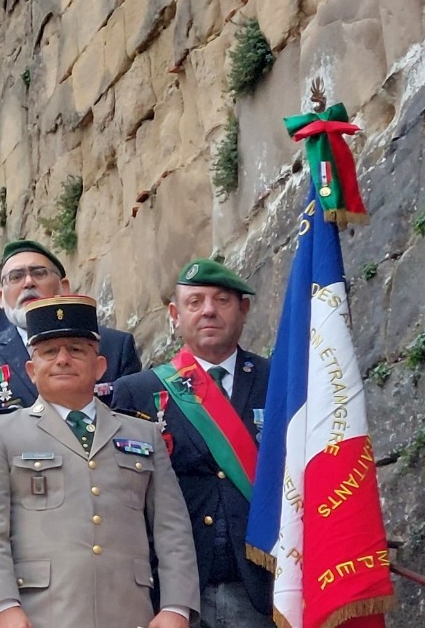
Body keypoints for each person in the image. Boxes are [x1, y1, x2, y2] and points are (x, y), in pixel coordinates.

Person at [0, 295, 198, 628]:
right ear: (31, 370)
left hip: (128, 613)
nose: (62, 359)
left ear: (99, 366)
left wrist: (177, 606)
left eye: (75, 349)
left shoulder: (142, 432)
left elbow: (172, 528)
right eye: (49, 352)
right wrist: (3, 606)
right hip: (39, 616)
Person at [111, 260, 274, 627]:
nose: (209, 311)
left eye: (222, 300)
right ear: (175, 314)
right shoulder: (137, 392)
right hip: (174, 592)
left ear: (244, 309)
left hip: (262, 585)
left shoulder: (277, 380)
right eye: (195, 302)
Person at [0, 240, 143, 411]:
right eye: (16, 277)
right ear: (1, 298)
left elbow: (130, 423)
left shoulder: (115, 346)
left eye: (39, 273)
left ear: (64, 288)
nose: (28, 283)